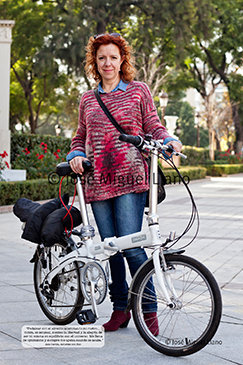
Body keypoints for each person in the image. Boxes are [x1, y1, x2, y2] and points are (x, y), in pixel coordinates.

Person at [67, 33, 182, 333]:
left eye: (113, 57)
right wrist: (76, 154)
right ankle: (120, 309)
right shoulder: (88, 100)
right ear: (95, 62)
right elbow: (79, 137)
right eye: (102, 57)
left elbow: (153, 126)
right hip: (98, 183)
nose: (107, 63)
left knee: (131, 246)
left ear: (122, 61)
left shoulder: (138, 91)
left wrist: (169, 140)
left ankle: (149, 309)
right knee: (110, 249)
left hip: (132, 180)